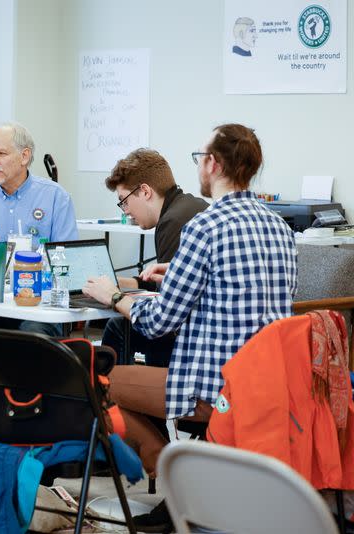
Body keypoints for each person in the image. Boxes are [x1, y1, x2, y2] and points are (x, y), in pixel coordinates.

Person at [83, 124, 296, 531]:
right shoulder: (281, 229)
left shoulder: (205, 227)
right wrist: (177, 277)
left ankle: (181, 490)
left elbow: (159, 321)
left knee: (99, 379)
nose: (198, 165)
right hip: (269, 385)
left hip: (214, 388)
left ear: (213, 164)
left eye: (200, 157)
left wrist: (113, 296)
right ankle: (198, 486)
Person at [0, 122, 79, 356]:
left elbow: (66, 261)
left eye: (1, 153)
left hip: (38, 306)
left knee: (33, 333)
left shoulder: (55, 198)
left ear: (24, 156)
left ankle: (24, 394)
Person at [99, 148, 208, 367]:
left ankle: (111, 395)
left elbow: (165, 309)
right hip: (204, 331)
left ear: (145, 191)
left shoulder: (172, 222)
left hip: (187, 344)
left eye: (124, 201)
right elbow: (170, 280)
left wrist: (115, 297)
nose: (126, 211)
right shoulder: (193, 206)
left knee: (118, 326)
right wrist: (124, 284)